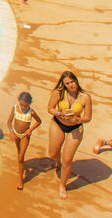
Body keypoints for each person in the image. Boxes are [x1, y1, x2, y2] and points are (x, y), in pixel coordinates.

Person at [47, 70, 92, 200]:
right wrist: (59, 113)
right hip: (58, 124)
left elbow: (88, 117)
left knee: (67, 160)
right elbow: (50, 108)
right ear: (64, 84)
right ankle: (57, 160)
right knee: (52, 153)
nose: (71, 85)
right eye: (68, 83)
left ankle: (62, 185)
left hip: (75, 127)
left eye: (72, 81)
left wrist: (77, 120)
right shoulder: (58, 93)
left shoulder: (85, 97)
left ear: (76, 81)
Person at [7, 92, 42, 190]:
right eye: (22, 105)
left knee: (21, 157)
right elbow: (9, 121)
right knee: (19, 154)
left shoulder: (31, 112)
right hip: (16, 134)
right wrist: (11, 132)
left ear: (29, 104)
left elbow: (39, 121)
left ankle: (20, 179)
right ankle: (20, 167)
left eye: (25, 106)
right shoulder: (14, 108)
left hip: (24, 136)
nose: (23, 107)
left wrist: (30, 129)